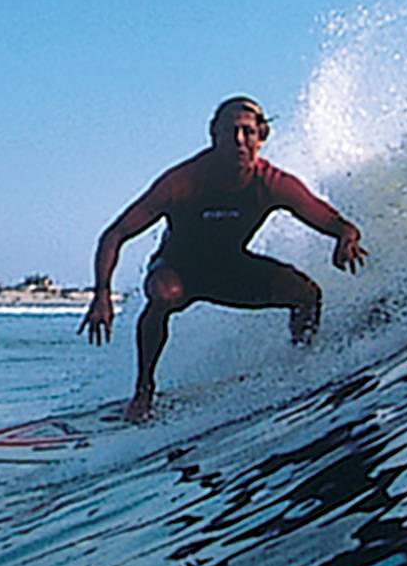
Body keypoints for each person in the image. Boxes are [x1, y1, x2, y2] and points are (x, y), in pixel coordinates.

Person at [79, 96, 367, 422]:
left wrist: (346, 237)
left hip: (231, 270)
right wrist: (102, 292)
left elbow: (332, 221)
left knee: (307, 295)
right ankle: (144, 391)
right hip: (178, 272)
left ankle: (301, 368)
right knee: (164, 295)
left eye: (247, 132)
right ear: (214, 135)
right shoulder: (183, 181)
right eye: (230, 132)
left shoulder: (272, 183)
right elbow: (115, 234)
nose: (239, 141)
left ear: (261, 137)